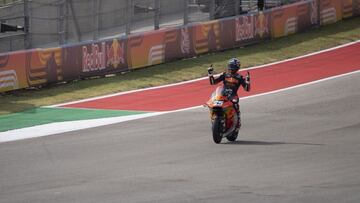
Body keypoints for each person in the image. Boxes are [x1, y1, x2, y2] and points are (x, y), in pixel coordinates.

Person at [207, 58, 250, 132]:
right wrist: (210, 74)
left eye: (232, 67)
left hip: (233, 96)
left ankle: (238, 122)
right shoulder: (225, 75)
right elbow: (213, 82)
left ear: (237, 68)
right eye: (230, 66)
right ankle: (214, 118)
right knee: (214, 102)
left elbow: (247, 89)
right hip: (222, 94)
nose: (231, 69)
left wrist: (247, 81)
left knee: (235, 104)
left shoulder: (240, 78)